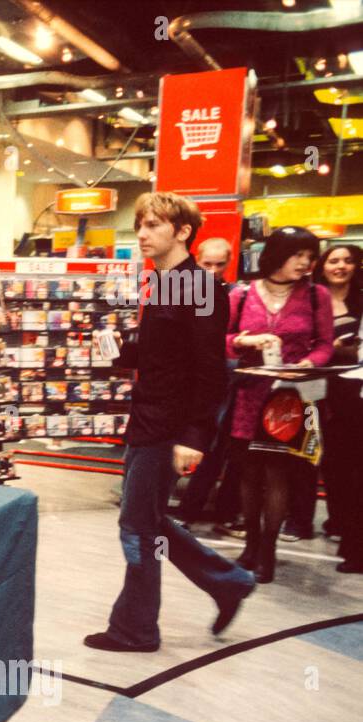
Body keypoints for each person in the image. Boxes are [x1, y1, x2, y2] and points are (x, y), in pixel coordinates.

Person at [85, 193, 255, 653]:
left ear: (182, 232)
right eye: (140, 224)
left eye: (154, 225)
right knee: (149, 521)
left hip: (167, 428)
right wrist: (120, 348)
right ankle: (228, 582)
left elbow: (208, 369)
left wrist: (194, 435)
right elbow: (164, 354)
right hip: (149, 419)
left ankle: (135, 628)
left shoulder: (198, 287)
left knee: (138, 527)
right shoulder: (168, 283)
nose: (142, 233)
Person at [226, 227, 334, 583]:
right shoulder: (242, 294)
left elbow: (324, 344)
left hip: (290, 396)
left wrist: (310, 363)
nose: (305, 262)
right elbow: (223, 341)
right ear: (276, 254)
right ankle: (251, 543)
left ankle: (267, 550)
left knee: (278, 474)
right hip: (250, 392)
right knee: (248, 473)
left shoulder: (317, 295)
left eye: (309, 256)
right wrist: (247, 339)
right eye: (297, 254)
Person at [177, 237, 242, 529]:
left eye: (220, 264)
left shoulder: (235, 295)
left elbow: (224, 342)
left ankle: (189, 511)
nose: (214, 270)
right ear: (197, 259)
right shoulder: (181, 290)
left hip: (217, 380)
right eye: (208, 264)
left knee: (211, 445)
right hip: (183, 380)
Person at [313, 243, 363, 572]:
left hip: (354, 394)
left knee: (352, 468)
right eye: (334, 260)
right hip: (317, 391)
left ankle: (354, 542)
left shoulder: (360, 301)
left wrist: (336, 350)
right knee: (329, 464)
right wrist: (337, 348)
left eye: (347, 260)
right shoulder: (312, 299)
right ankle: (340, 522)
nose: (341, 266)